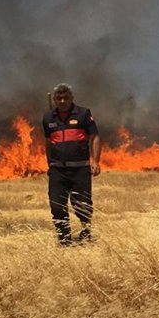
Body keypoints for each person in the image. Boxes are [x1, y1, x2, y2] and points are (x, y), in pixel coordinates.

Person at [42, 83, 101, 246]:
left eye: (65, 98)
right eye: (59, 98)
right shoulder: (48, 118)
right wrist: (50, 164)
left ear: (71, 98)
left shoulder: (83, 114)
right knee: (56, 204)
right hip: (58, 170)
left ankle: (85, 231)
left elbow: (95, 137)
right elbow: (48, 142)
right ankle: (64, 238)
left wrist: (95, 161)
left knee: (82, 204)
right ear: (54, 99)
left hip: (80, 168)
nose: (62, 101)